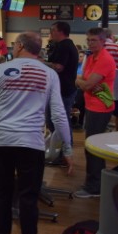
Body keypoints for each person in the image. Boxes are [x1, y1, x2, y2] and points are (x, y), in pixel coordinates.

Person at [0, 31, 73, 234]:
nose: (13, 47)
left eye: (14, 44)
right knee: (28, 198)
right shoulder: (49, 74)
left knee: (2, 192)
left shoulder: (1, 70)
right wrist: (67, 148)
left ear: (21, 46)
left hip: (2, 140)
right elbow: (58, 114)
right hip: (30, 142)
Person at [74, 27, 116, 198]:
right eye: (89, 40)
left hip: (100, 108)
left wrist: (78, 80)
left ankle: (94, 187)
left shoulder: (104, 59)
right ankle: (96, 182)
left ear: (103, 41)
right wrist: (83, 82)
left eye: (94, 40)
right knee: (92, 146)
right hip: (92, 105)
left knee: (92, 148)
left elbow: (87, 84)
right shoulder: (92, 58)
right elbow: (85, 81)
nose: (90, 43)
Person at [45, 21, 79, 151]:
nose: (51, 33)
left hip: (63, 90)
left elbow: (58, 67)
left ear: (60, 31)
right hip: (64, 89)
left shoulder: (64, 46)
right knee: (55, 120)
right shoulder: (67, 45)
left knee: (59, 121)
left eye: (53, 30)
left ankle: (64, 149)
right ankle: (62, 147)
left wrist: (40, 62)